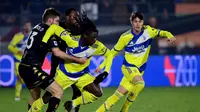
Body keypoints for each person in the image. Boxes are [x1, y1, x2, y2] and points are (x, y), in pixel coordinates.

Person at [30, 12, 112, 112]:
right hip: (64, 74)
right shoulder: (71, 40)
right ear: (85, 36)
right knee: (46, 98)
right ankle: (33, 109)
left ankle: (73, 104)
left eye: (96, 37)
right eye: (93, 37)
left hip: (82, 76)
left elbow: (110, 54)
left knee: (98, 93)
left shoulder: (97, 46)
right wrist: (44, 41)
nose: (95, 40)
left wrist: (106, 71)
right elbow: (53, 28)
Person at [96, 12, 176, 112]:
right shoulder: (125, 37)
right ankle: (124, 109)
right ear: (131, 22)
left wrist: (170, 35)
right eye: (135, 21)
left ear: (142, 22)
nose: (137, 24)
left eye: (139, 21)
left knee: (116, 96)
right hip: (128, 67)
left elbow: (162, 32)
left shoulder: (148, 31)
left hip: (138, 70)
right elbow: (112, 53)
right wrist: (102, 65)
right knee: (140, 83)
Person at [18, 8, 86, 112]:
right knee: (58, 91)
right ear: (50, 21)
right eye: (57, 21)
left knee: (35, 96)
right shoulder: (48, 32)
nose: (58, 24)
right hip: (32, 68)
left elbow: (40, 46)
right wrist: (78, 60)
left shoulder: (37, 27)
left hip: (23, 67)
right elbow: (57, 52)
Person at [8, 21, 31, 101]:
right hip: (18, 60)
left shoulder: (32, 37)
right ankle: (19, 94)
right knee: (19, 77)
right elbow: (10, 46)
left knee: (24, 78)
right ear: (24, 27)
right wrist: (18, 50)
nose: (28, 27)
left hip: (27, 60)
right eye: (27, 26)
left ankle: (17, 96)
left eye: (29, 26)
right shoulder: (18, 36)